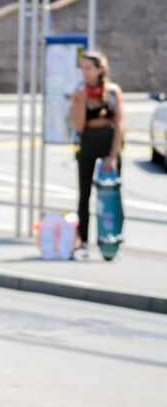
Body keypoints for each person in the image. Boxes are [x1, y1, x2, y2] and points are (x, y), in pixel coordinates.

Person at [70, 49, 125, 260]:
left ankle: (113, 240)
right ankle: (83, 241)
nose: (84, 72)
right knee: (84, 194)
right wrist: (79, 103)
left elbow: (120, 124)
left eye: (88, 68)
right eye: (82, 68)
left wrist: (113, 155)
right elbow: (79, 126)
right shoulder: (81, 92)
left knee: (113, 193)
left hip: (109, 142)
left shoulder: (113, 91)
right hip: (89, 141)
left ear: (100, 69)